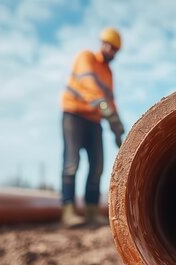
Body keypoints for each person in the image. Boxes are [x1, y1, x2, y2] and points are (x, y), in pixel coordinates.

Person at [60, 28, 126, 227]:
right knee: (72, 162)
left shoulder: (108, 73)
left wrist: (118, 127)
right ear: (101, 43)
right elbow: (91, 90)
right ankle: (68, 211)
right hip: (74, 115)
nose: (110, 51)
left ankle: (91, 212)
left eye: (114, 49)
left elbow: (110, 100)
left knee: (97, 165)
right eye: (108, 45)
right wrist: (110, 116)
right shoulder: (86, 58)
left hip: (95, 121)